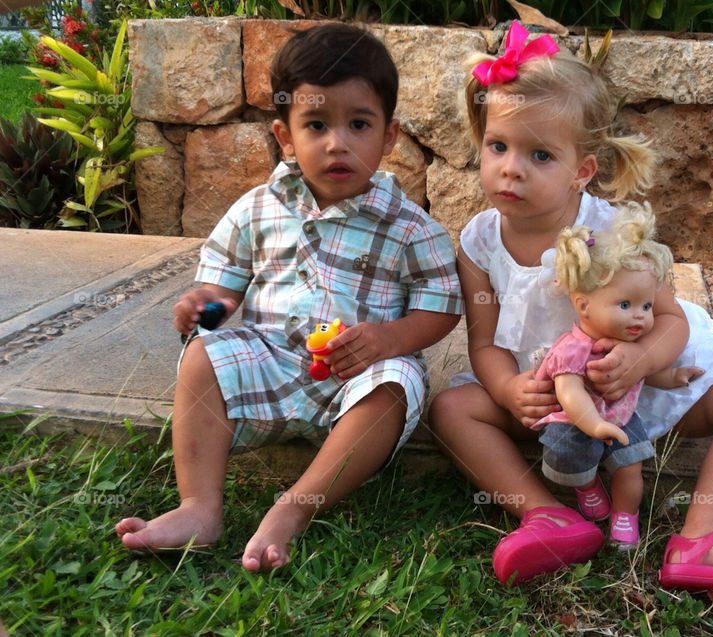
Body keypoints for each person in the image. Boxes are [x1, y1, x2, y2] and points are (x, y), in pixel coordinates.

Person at [428, 21, 713, 602]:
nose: (511, 168)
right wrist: (507, 390)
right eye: (498, 146)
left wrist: (638, 356)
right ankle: (548, 518)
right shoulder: (479, 242)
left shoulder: (612, 231)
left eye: (540, 155)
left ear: (582, 169)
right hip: (549, 394)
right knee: (453, 407)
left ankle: (704, 537)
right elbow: (484, 343)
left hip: (634, 388)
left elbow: (672, 320)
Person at [115, 23, 463, 572]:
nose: (337, 142)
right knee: (204, 354)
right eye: (316, 125)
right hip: (271, 363)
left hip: (356, 376)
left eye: (359, 124)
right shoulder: (257, 209)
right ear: (284, 135)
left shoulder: (410, 227)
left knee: (396, 386)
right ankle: (199, 507)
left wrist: (388, 339)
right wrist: (203, 306)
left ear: (389, 136)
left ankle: (294, 508)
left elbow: (442, 305)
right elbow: (224, 286)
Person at [534, 201, 703, 550]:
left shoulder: (629, 343)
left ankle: (625, 515)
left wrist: (672, 376)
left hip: (623, 418)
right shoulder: (572, 349)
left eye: (647, 306)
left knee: (631, 468)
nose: (640, 317)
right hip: (577, 421)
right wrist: (594, 425)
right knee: (573, 462)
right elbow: (570, 392)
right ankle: (586, 486)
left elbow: (640, 376)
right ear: (583, 306)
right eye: (626, 306)